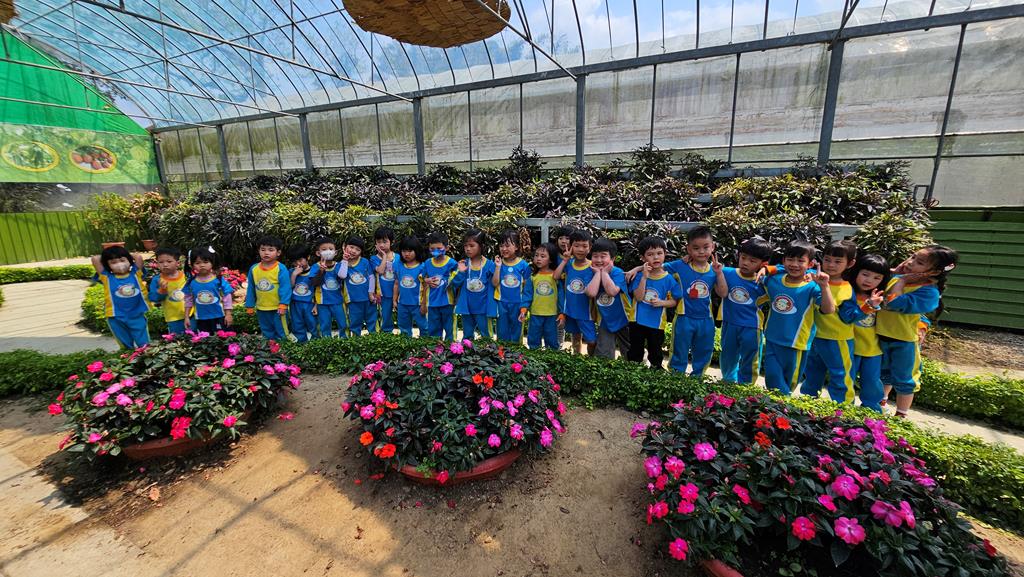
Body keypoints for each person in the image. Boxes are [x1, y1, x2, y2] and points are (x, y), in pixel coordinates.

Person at [877, 245, 958, 417]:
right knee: (883, 373)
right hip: (881, 335)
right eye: (912, 256)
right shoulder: (898, 278)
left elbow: (893, 303)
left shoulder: (928, 292)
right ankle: (881, 403)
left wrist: (901, 281)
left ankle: (901, 415)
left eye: (919, 262)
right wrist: (896, 274)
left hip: (904, 341)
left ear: (934, 272)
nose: (910, 262)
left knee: (905, 378)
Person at [760, 240, 835, 394]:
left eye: (801, 261)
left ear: (810, 264)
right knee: (772, 378)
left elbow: (828, 310)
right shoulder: (774, 280)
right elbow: (758, 277)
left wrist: (825, 286)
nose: (794, 264)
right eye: (790, 259)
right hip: (773, 339)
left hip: (796, 344)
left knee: (788, 384)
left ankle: (780, 406)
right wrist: (766, 268)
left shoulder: (813, 287)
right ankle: (776, 406)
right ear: (783, 260)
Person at [800, 240, 864, 404]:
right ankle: (806, 403)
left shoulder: (846, 288)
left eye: (837, 261)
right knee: (811, 373)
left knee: (841, 375)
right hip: (813, 336)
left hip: (838, 339)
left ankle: (844, 408)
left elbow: (850, 316)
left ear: (850, 264)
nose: (831, 265)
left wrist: (868, 308)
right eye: (827, 259)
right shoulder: (812, 277)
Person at [714, 237, 772, 384]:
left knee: (750, 358)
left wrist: (768, 270)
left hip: (752, 327)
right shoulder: (726, 272)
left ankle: (746, 386)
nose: (745, 262)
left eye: (752, 261)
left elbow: (787, 275)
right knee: (727, 355)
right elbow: (701, 267)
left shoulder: (764, 281)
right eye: (743, 257)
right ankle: (728, 382)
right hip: (729, 323)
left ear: (763, 263)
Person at [665, 226, 719, 376]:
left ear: (713, 247)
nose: (701, 251)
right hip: (683, 317)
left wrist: (720, 274)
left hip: (706, 319)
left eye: (706, 247)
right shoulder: (679, 266)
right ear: (688, 249)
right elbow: (656, 266)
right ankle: (676, 378)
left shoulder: (716, 270)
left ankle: (698, 379)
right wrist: (635, 270)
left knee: (704, 350)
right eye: (696, 248)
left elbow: (723, 292)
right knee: (679, 349)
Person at [627, 236, 681, 369]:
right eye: (650, 254)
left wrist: (662, 302)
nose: (656, 257)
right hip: (636, 320)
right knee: (635, 352)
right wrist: (644, 278)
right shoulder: (639, 276)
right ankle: (632, 372)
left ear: (665, 254)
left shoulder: (669, 279)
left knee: (656, 352)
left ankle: (655, 372)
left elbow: (675, 301)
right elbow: (639, 297)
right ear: (643, 258)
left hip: (657, 323)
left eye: (659, 253)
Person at [848, 254, 889, 412]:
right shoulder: (847, 293)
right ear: (856, 271)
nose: (869, 280)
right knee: (847, 380)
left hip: (873, 349)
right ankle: (844, 407)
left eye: (876, 278)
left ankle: (872, 409)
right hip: (849, 347)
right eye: (865, 274)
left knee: (872, 381)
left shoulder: (883, 299)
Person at [90, 245, 150, 349]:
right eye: (113, 262)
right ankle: (128, 357)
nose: (119, 264)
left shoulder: (136, 273)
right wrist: (107, 255)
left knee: (145, 345)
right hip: (116, 316)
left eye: (122, 260)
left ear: (129, 261)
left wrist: (124, 254)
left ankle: (146, 356)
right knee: (125, 345)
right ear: (107, 265)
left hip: (136, 313)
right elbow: (95, 259)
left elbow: (138, 257)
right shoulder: (106, 277)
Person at [588, 238, 631, 360]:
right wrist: (598, 274)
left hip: (625, 318)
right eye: (595, 256)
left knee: (630, 351)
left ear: (613, 259)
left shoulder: (617, 272)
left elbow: (612, 292)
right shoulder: (591, 272)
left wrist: (605, 274)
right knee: (603, 354)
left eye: (603, 256)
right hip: (605, 319)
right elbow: (591, 293)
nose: (599, 260)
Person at [244, 235, 291, 341]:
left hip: (278, 308)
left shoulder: (281, 268)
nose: (266, 253)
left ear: (278, 253)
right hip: (261, 308)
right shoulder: (254, 269)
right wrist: (250, 305)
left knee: (281, 331)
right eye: (263, 249)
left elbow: (285, 288)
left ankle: (283, 349)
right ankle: (269, 349)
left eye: (271, 250)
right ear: (259, 251)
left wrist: (283, 304)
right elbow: (251, 288)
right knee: (266, 331)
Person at [453, 229, 496, 341]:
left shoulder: (490, 265)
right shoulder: (463, 264)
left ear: (481, 246)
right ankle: (466, 351)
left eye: (472, 245)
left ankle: (488, 352)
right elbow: (455, 284)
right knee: (467, 336)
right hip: (467, 308)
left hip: (483, 308)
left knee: (486, 336)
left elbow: (494, 284)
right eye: (465, 246)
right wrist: (461, 272)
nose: (468, 249)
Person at [492, 229, 532, 344]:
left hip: (518, 303)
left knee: (516, 330)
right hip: (501, 302)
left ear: (517, 247)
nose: (504, 249)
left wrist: (525, 306)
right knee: (502, 330)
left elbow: (527, 288)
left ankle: (516, 351)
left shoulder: (523, 265)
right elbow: (494, 283)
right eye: (501, 246)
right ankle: (501, 351)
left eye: (507, 245)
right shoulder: (498, 263)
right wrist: (498, 267)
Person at [522, 242, 564, 350]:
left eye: (542, 256)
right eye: (536, 255)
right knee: (533, 339)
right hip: (535, 314)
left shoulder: (555, 277)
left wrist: (562, 312)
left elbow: (561, 296)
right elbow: (527, 294)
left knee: (552, 340)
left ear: (551, 260)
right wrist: (523, 309)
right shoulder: (533, 277)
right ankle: (534, 357)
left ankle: (552, 357)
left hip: (552, 314)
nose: (538, 259)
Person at [562, 229, 597, 354]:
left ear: (590, 247)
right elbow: (556, 276)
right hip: (570, 310)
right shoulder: (568, 263)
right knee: (575, 336)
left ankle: (591, 361)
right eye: (576, 246)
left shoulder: (593, 266)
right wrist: (565, 260)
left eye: (584, 246)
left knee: (592, 341)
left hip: (586, 313)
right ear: (571, 247)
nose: (580, 249)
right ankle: (576, 357)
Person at [183, 246, 234, 333]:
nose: (202, 265)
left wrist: (228, 314)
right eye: (197, 263)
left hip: (219, 316)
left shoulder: (218, 280)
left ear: (212, 262)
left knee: (223, 338)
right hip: (201, 319)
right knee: (205, 339)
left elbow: (227, 297)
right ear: (192, 265)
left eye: (205, 262)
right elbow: (188, 301)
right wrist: (186, 317)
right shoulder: (191, 283)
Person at [422, 232, 459, 340]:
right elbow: (421, 278)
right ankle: (435, 348)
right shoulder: (427, 263)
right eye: (432, 249)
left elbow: (457, 279)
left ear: (447, 248)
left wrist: (446, 281)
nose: (435, 251)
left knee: (450, 328)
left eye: (439, 248)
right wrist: (427, 280)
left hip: (448, 302)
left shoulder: (452, 263)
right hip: (432, 302)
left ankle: (451, 347)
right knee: (433, 329)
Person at [310, 237, 347, 338]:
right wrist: (321, 271)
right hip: (322, 302)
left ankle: (345, 341)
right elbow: (314, 283)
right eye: (324, 249)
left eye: (331, 249)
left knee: (343, 324)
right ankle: (327, 343)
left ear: (335, 252)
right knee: (325, 326)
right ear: (318, 253)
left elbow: (342, 277)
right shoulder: (315, 267)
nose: (328, 251)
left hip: (338, 301)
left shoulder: (339, 265)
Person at [148, 246, 187, 335]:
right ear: (157, 264)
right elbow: (153, 298)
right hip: (173, 317)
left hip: (191, 314)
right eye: (161, 262)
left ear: (178, 263)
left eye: (169, 261)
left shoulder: (186, 276)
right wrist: (162, 291)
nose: (165, 265)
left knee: (196, 337)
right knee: (178, 339)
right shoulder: (157, 280)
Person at [342, 236, 377, 336]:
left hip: (368, 299)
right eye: (351, 247)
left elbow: (371, 277)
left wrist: (371, 293)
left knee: (372, 321)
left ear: (361, 252)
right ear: (345, 247)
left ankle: (375, 340)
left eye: (358, 249)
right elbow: (342, 275)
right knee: (355, 323)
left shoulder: (365, 262)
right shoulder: (342, 264)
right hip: (353, 300)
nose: (353, 251)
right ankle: (356, 341)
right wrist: (345, 261)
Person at [394, 236, 427, 338]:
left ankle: (426, 346)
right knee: (404, 329)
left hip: (418, 304)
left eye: (410, 251)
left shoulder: (423, 267)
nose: (406, 254)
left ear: (416, 251)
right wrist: (394, 299)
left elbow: (426, 287)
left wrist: (424, 304)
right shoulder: (399, 265)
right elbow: (396, 283)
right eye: (404, 251)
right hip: (402, 304)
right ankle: (407, 346)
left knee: (424, 327)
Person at [371, 227, 400, 334]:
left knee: (402, 315)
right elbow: (380, 270)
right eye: (378, 242)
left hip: (399, 293)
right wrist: (384, 256)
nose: (381, 245)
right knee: (385, 316)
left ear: (392, 242)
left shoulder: (398, 257)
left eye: (385, 241)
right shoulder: (374, 259)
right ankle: (386, 335)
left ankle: (405, 335)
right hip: (383, 293)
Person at [287, 244, 318, 343]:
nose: (297, 263)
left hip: (310, 303)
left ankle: (316, 343)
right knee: (297, 324)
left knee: (313, 323)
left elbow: (318, 289)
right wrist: (294, 275)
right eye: (294, 261)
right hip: (295, 304)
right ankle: (301, 343)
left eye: (300, 260)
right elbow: (289, 287)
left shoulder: (315, 271)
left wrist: (316, 305)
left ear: (308, 257)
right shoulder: (291, 272)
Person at [553, 226, 574, 349]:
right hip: (558, 293)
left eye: (567, 238)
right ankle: (558, 346)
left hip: (573, 294)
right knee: (559, 320)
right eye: (560, 238)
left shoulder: (577, 257)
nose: (563, 241)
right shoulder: (554, 255)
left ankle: (576, 350)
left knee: (575, 326)